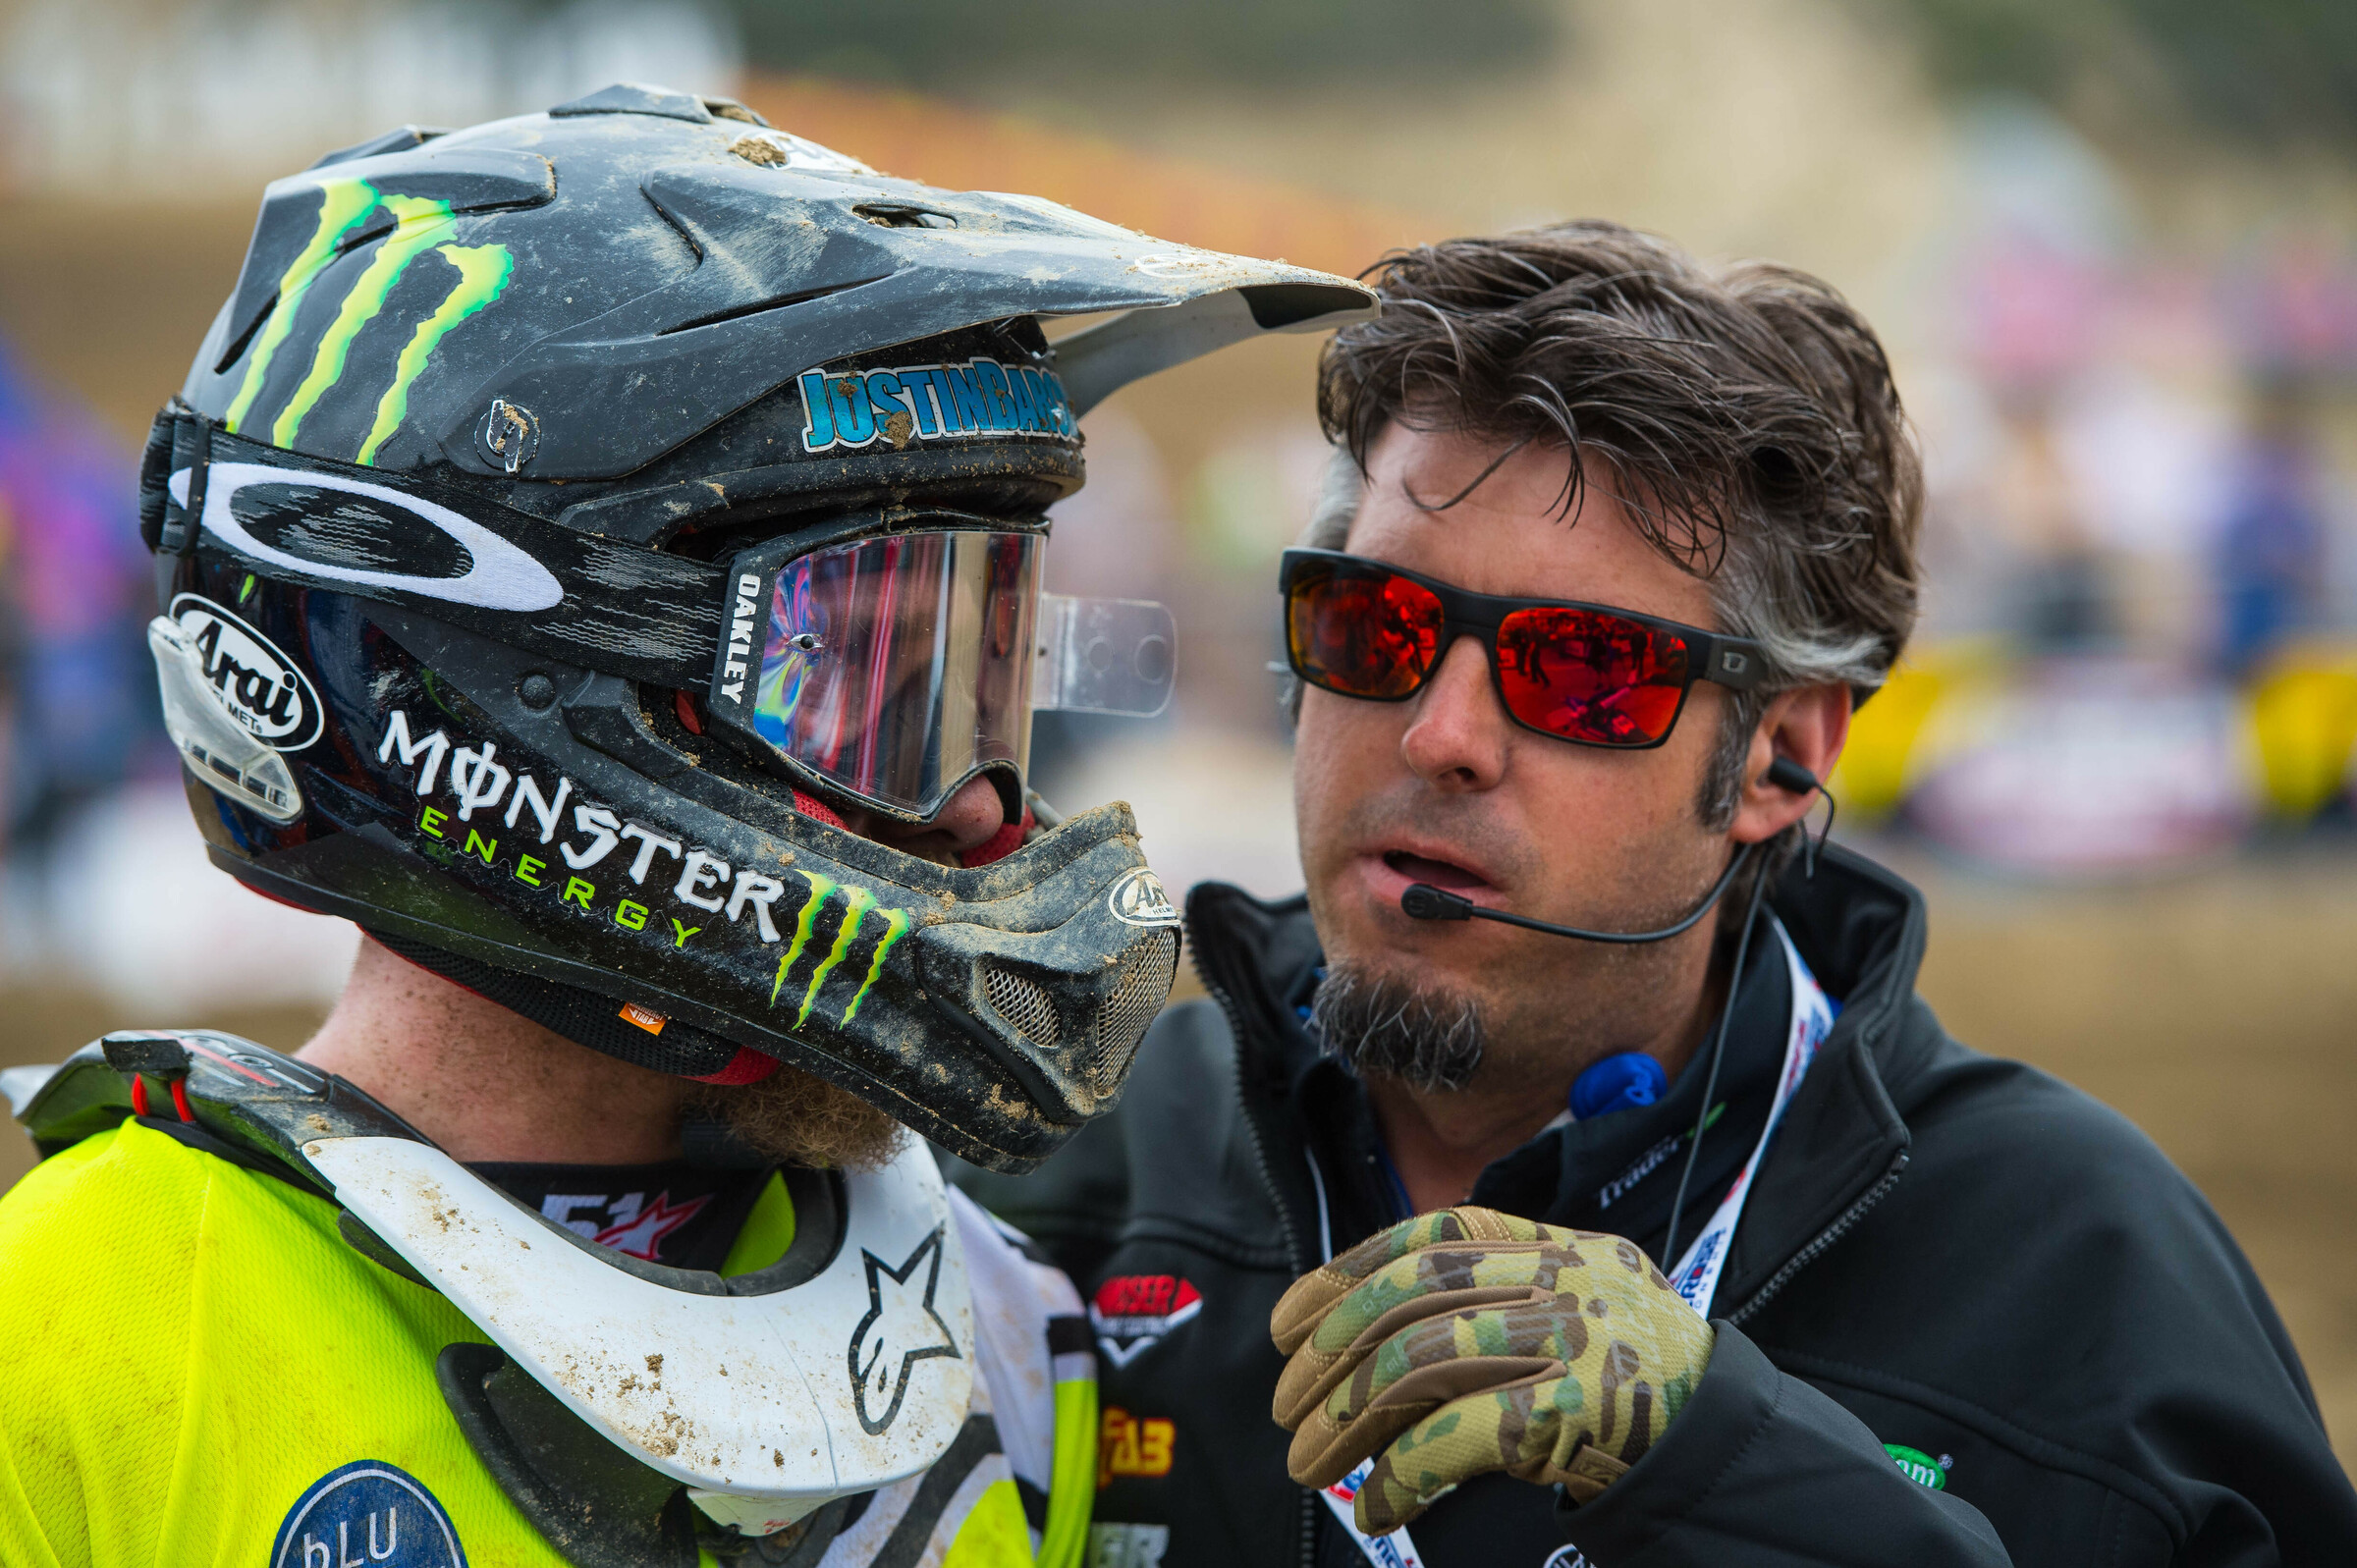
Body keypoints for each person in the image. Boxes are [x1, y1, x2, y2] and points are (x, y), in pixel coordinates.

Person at [0, 85, 1372, 1568]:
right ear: (509, 697)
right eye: (868, 684)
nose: (982, 804)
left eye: (984, 669)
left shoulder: (1017, 1341)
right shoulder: (70, 1335)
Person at [956, 223, 2357, 1566]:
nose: (1441, 733)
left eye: (1579, 668)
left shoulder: (2082, 1273)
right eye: (1373, 626)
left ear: (1782, 755)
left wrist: (1736, 1471)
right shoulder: (1072, 1175)